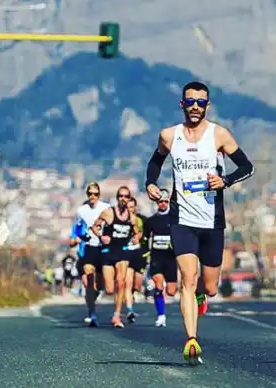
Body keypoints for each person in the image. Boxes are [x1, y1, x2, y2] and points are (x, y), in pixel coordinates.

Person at [145, 80, 255, 365]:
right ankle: (191, 339)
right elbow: (155, 163)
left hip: (212, 221)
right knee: (188, 280)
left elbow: (247, 166)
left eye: (201, 102)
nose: (195, 106)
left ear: (207, 105)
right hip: (181, 219)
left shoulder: (219, 135)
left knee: (210, 287)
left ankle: (202, 298)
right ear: (182, 104)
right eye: (190, 102)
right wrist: (150, 184)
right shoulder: (169, 136)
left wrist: (225, 180)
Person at [90, 188, 138, 328]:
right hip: (108, 252)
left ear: (129, 199)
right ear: (117, 198)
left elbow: (137, 232)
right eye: (120, 196)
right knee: (110, 289)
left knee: (121, 282)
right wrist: (101, 236)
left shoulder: (131, 217)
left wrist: (136, 238)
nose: (123, 198)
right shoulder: (108, 213)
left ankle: (117, 315)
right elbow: (94, 226)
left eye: (126, 196)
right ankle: (94, 298)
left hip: (123, 252)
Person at [69, 182, 112, 326]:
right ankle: (92, 314)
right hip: (88, 249)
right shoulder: (82, 211)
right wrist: (76, 239)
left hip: (103, 249)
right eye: (90, 194)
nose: (93, 196)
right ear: (87, 195)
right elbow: (76, 230)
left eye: (95, 194)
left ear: (99, 195)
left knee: (99, 286)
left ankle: (92, 299)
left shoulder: (105, 208)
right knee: (89, 280)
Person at [144, 188, 177, 327]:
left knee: (171, 291)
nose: (162, 204)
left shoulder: (175, 219)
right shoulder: (151, 221)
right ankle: (161, 315)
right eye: (160, 201)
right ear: (156, 203)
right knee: (158, 285)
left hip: (170, 258)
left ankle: (164, 289)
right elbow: (145, 238)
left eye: (165, 201)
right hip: (157, 257)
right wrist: (145, 255)